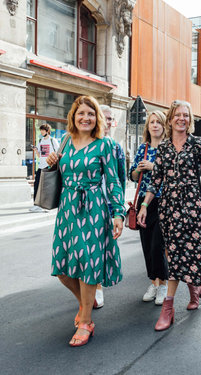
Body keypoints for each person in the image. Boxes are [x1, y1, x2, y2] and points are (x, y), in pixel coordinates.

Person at [137, 100, 201, 331]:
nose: (182, 119)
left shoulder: (197, 143)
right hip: (168, 207)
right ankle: (187, 295)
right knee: (173, 253)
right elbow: (155, 181)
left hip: (192, 207)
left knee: (189, 250)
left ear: (190, 119)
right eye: (177, 115)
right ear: (171, 118)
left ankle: (170, 306)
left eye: (186, 115)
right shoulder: (164, 148)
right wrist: (145, 205)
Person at [46, 96, 125, 347]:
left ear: (97, 119)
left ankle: (86, 322)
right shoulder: (67, 142)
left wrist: (118, 214)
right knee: (62, 268)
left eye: (90, 114)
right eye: (81, 113)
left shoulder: (103, 145)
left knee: (88, 265)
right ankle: (85, 303)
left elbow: (113, 182)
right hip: (68, 210)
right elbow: (59, 169)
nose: (85, 118)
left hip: (93, 208)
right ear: (73, 116)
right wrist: (51, 161)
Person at [129, 111, 169, 305]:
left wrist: (154, 167)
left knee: (158, 245)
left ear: (164, 126)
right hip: (143, 201)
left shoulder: (168, 148)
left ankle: (163, 285)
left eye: (158, 122)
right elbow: (133, 176)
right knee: (146, 245)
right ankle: (153, 283)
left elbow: (173, 174)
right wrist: (139, 169)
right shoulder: (143, 149)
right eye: (152, 122)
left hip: (163, 201)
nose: (154, 125)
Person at [92, 105, 127, 308]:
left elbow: (120, 181)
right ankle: (88, 288)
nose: (107, 122)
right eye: (104, 117)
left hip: (106, 205)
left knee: (100, 249)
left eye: (111, 118)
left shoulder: (115, 147)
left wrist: (118, 211)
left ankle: (97, 288)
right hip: (86, 205)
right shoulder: (84, 144)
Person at [29, 123, 59, 212]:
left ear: (47, 131)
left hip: (49, 166)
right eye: (41, 130)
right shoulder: (40, 141)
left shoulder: (53, 140)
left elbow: (58, 153)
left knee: (46, 187)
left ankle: (46, 206)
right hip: (41, 166)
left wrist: (53, 164)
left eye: (43, 130)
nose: (41, 131)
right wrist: (36, 150)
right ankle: (36, 204)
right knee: (37, 185)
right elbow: (39, 155)